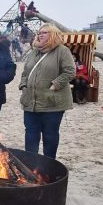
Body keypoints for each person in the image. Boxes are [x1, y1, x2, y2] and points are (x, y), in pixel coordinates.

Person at [18, 23, 75, 160]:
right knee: (31, 135)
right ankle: (31, 165)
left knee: (50, 135)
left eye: (44, 32)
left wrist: (55, 85)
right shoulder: (33, 52)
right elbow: (26, 72)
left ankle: (49, 164)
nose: (40, 34)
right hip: (30, 101)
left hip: (52, 103)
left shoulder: (62, 51)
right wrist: (23, 85)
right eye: (39, 32)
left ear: (53, 35)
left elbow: (70, 71)